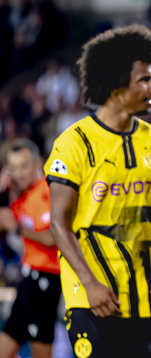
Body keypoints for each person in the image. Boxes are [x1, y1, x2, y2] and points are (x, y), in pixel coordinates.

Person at [44, 24, 151, 358]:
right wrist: (89, 283)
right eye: (145, 79)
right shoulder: (74, 143)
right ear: (117, 84)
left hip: (147, 296)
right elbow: (59, 223)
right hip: (92, 297)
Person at [0, 139, 60, 358]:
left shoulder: (48, 192)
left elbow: (55, 237)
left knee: (41, 352)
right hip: (29, 280)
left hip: (47, 279)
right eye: (13, 168)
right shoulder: (21, 197)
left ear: (38, 163)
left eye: (24, 166)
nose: (19, 173)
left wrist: (17, 229)